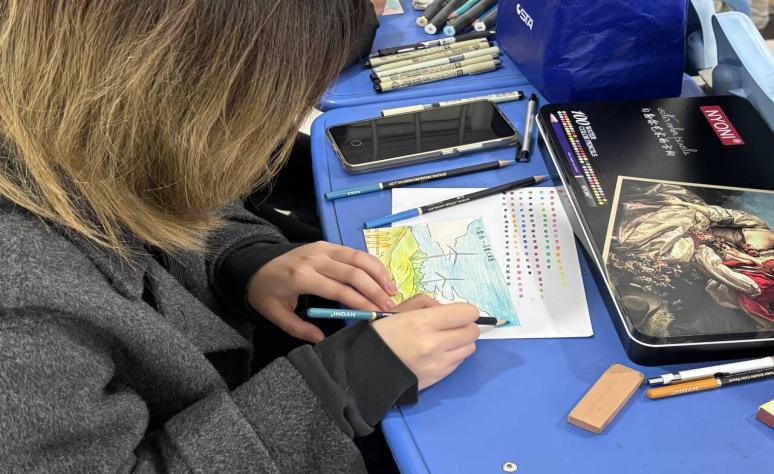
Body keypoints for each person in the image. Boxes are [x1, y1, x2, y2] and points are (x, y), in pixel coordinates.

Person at [0, 1, 481, 472]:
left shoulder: (73, 118)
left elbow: (165, 184)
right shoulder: (21, 321)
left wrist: (242, 260)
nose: (271, 141)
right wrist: (346, 384)